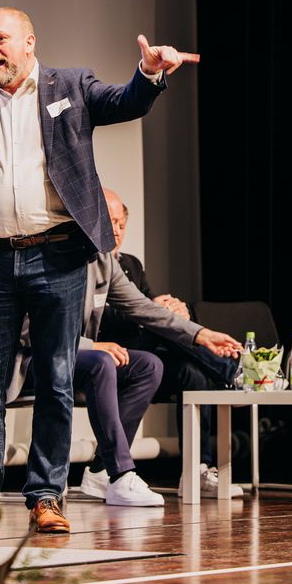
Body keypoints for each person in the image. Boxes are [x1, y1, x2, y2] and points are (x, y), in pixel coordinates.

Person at [0, 7, 185, 533]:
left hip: (59, 253)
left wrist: (150, 73)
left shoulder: (69, 85)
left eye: (0, 38)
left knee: (58, 381)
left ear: (29, 42)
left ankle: (46, 495)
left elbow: (124, 102)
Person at [96, 188, 244, 497]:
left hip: (144, 354)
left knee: (194, 375)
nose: (117, 231)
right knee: (161, 330)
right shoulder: (84, 263)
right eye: (111, 222)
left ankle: (196, 470)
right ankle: (233, 373)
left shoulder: (131, 265)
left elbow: (144, 306)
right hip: (108, 353)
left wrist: (174, 310)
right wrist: (156, 311)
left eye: (122, 224)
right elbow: (104, 318)